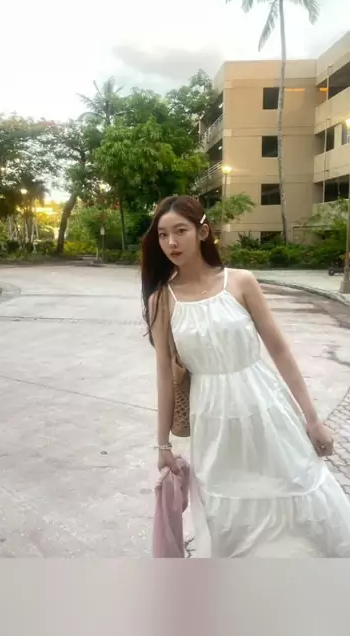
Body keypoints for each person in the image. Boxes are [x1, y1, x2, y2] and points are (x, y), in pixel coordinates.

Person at [141, 194, 350, 557]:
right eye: (162, 235)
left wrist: (313, 420)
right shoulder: (162, 300)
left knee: (295, 489)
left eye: (180, 231)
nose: (171, 242)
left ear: (202, 232)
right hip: (212, 421)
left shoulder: (240, 282)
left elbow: (280, 351)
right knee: (229, 514)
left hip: (267, 409)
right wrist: (163, 445)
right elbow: (163, 375)